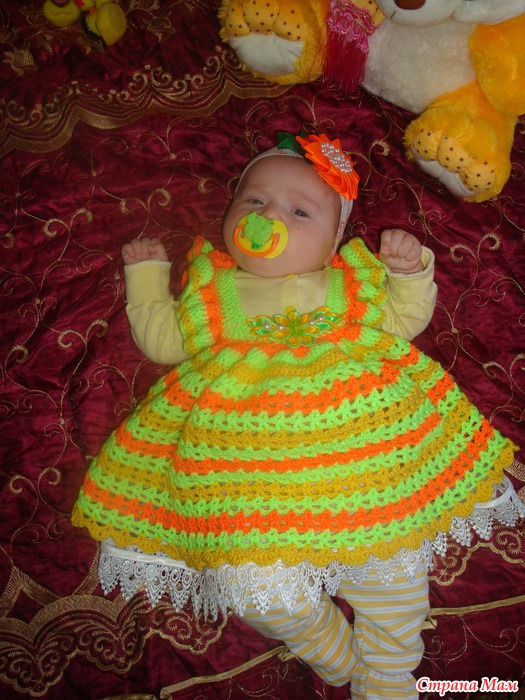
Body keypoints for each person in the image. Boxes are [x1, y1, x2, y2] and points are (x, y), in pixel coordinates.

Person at [72, 132, 522, 700]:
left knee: (395, 579)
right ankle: (330, 648)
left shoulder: (349, 284)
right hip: (251, 485)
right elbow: (164, 341)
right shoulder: (215, 291)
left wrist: (408, 273)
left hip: (365, 473)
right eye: (254, 200)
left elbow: (404, 320)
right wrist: (147, 279)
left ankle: (388, 676)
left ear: (335, 240)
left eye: (299, 210)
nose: (269, 217)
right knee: (254, 589)